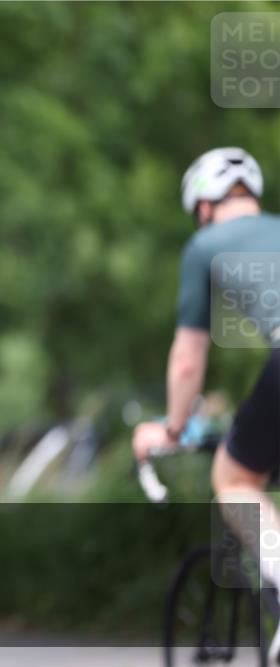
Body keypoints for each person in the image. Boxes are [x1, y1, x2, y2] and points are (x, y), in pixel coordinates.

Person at [131, 147, 280, 654]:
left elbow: (189, 360)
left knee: (235, 479)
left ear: (203, 207)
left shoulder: (206, 246)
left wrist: (173, 430)